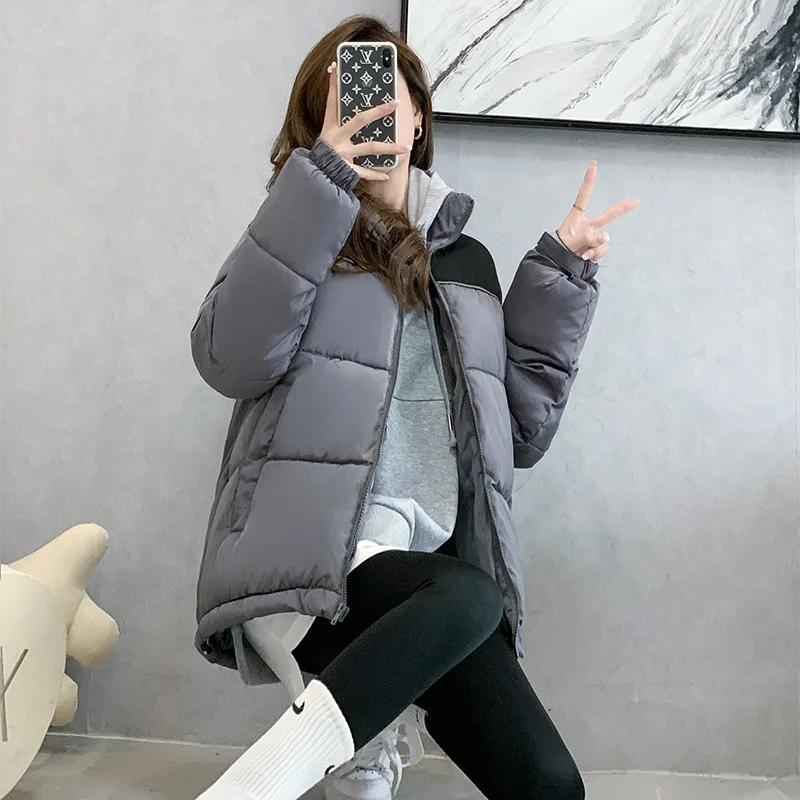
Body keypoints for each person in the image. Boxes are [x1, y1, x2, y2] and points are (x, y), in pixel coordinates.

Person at [190, 15, 637, 800]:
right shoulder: (299, 241)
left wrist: (559, 278)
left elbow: (517, 437)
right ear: (318, 127)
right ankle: (259, 784)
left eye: (384, 100)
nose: (370, 117)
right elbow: (230, 358)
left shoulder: (466, 264)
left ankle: (361, 737)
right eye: (347, 104)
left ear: (419, 119)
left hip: (429, 582)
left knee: (551, 785)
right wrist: (319, 184)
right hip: (318, 562)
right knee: (466, 593)